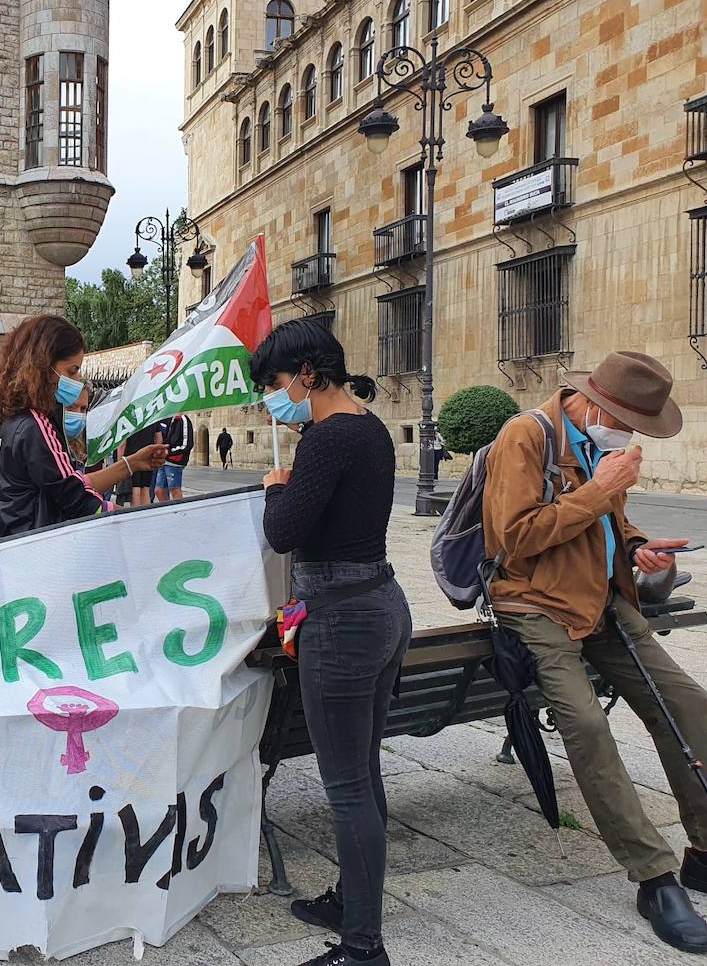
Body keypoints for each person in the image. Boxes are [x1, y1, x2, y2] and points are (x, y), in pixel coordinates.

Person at [483, 351, 707, 954]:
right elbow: (517, 537)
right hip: (534, 603)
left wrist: (638, 547)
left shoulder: (597, 447)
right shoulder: (524, 437)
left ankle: (706, 850)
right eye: (628, 422)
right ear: (593, 404)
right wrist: (599, 491)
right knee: (587, 726)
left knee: (689, 703)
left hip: (602, 598)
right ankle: (654, 877)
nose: (630, 436)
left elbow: (609, 525)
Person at [254, 318, 407, 966]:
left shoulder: (325, 439)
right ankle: (353, 899)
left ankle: (363, 947)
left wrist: (274, 489)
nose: (273, 396)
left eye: (276, 382)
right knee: (363, 770)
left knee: (346, 784)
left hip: (339, 621)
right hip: (381, 603)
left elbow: (285, 532)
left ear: (308, 375)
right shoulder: (368, 427)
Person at [0, 315, 167, 539]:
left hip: (12, 547)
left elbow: (65, 483)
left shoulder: (12, 424)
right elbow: (75, 498)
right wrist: (140, 522)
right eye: (72, 371)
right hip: (37, 550)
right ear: (43, 366)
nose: (77, 379)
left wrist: (131, 463)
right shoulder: (36, 426)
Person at [119, 420, 162, 507]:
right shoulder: (153, 416)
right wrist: (155, 453)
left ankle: (135, 512)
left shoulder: (130, 417)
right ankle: (145, 513)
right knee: (145, 488)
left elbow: (122, 443)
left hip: (132, 457)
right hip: (148, 456)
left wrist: (119, 461)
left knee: (135, 488)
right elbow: (159, 438)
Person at [154, 412, 193, 501]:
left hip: (175, 460)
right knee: (159, 490)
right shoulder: (167, 418)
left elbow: (186, 444)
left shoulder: (183, 419)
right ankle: (168, 510)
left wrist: (169, 452)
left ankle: (179, 512)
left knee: (174, 489)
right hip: (163, 460)